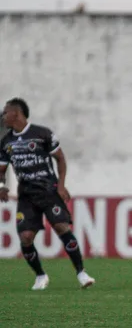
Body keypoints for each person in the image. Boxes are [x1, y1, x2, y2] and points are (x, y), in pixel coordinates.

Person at [0, 98, 95, 290]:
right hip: (26, 195)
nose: (3, 116)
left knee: (62, 227)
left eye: (5, 112)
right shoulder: (6, 141)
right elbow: (1, 170)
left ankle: (81, 273)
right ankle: (40, 276)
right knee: (26, 237)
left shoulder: (42, 134)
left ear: (16, 114)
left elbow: (60, 159)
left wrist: (61, 186)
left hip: (49, 191)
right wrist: (2, 186)